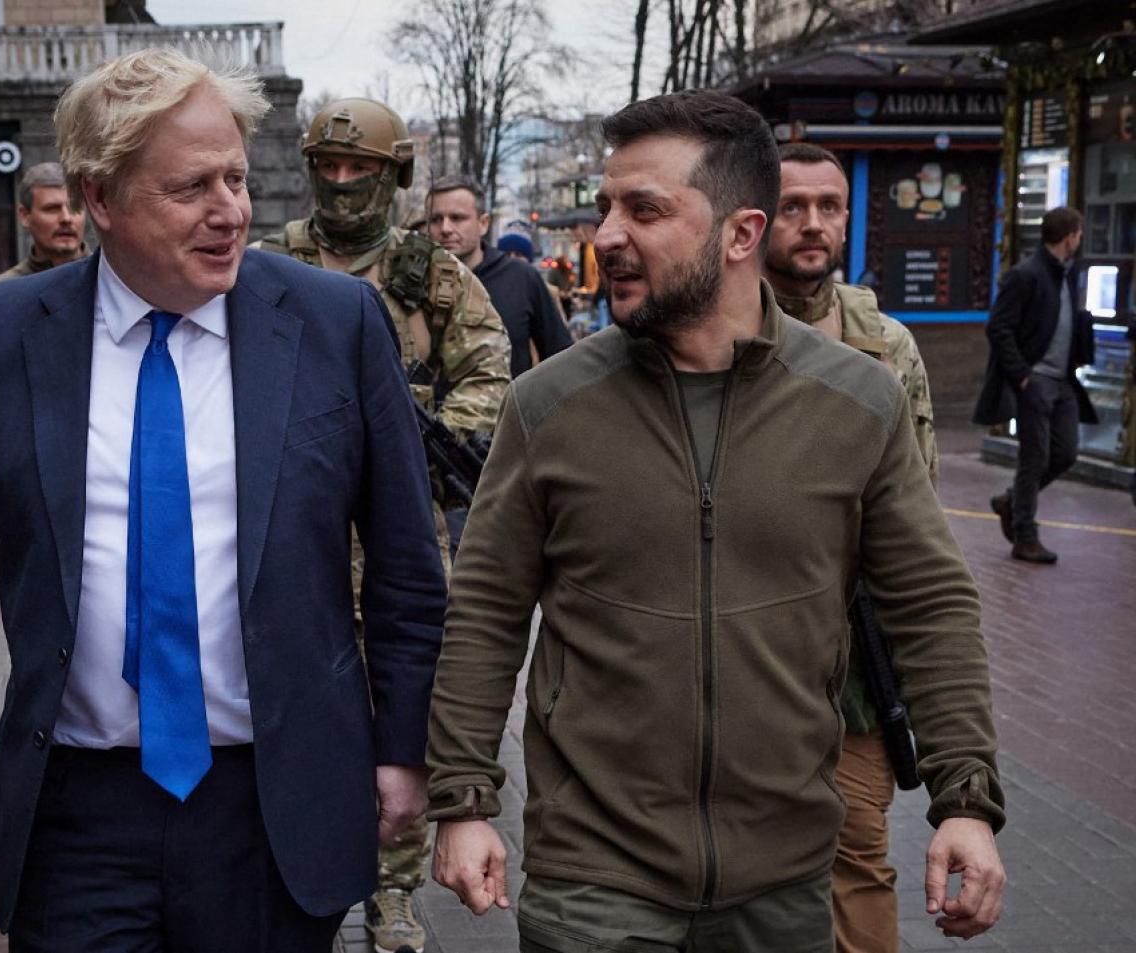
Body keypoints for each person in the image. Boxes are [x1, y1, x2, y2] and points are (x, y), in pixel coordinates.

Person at [0, 49, 447, 953]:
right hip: (76, 812)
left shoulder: (336, 322)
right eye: (191, 188)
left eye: (237, 178)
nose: (231, 211)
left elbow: (408, 569)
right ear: (100, 198)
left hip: (275, 802)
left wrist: (404, 748)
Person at [425, 90, 1007, 953]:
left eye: (644, 210)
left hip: (783, 879)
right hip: (593, 877)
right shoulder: (549, 405)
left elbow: (930, 603)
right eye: (607, 207)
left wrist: (966, 799)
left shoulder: (857, 401)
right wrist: (464, 797)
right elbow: (485, 607)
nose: (607, 235)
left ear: (740, 234)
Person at [253, 97, 509, 953]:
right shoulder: (268, 264)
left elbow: (491, 376)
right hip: (296, 523)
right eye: (327, 167)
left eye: (359, 168)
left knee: (402, 701)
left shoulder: (432, 275)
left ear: (393, 175)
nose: (341, 182)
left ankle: (392, 890)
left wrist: (412, 443)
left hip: (400, 530)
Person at [764, 142, 939, 953]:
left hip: (851, 677)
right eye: (793, 206)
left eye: (828, 206)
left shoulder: (887, 346)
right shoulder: (710, 329)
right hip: (740, 656)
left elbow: (916, 524)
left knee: (857, 858)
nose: (813, 223)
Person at [974, 206, 1096, 563]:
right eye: (1079, 234)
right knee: (1035, 457)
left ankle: (1011, 501)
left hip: (1063, 380)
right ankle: (1025, 535)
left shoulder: (1067, 274)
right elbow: (998, 327)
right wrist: (1023, 375)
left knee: (1065, 452)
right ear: (1069, 237)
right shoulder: (1025, 274)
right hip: (1036, 380)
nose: (1080, 240)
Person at [427, 174, 572, 378]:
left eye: (457, 218)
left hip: (508, 397)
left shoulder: (522, 278)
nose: (445, 229)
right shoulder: (412, 282)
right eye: (435, 220)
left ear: (483, 223)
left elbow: (561, 360)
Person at [0, 162, 88, 285]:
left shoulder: (106, 279)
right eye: (52, 209)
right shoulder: (1, 290)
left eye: (74, 208)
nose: (66, 218)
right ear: (25, 216)